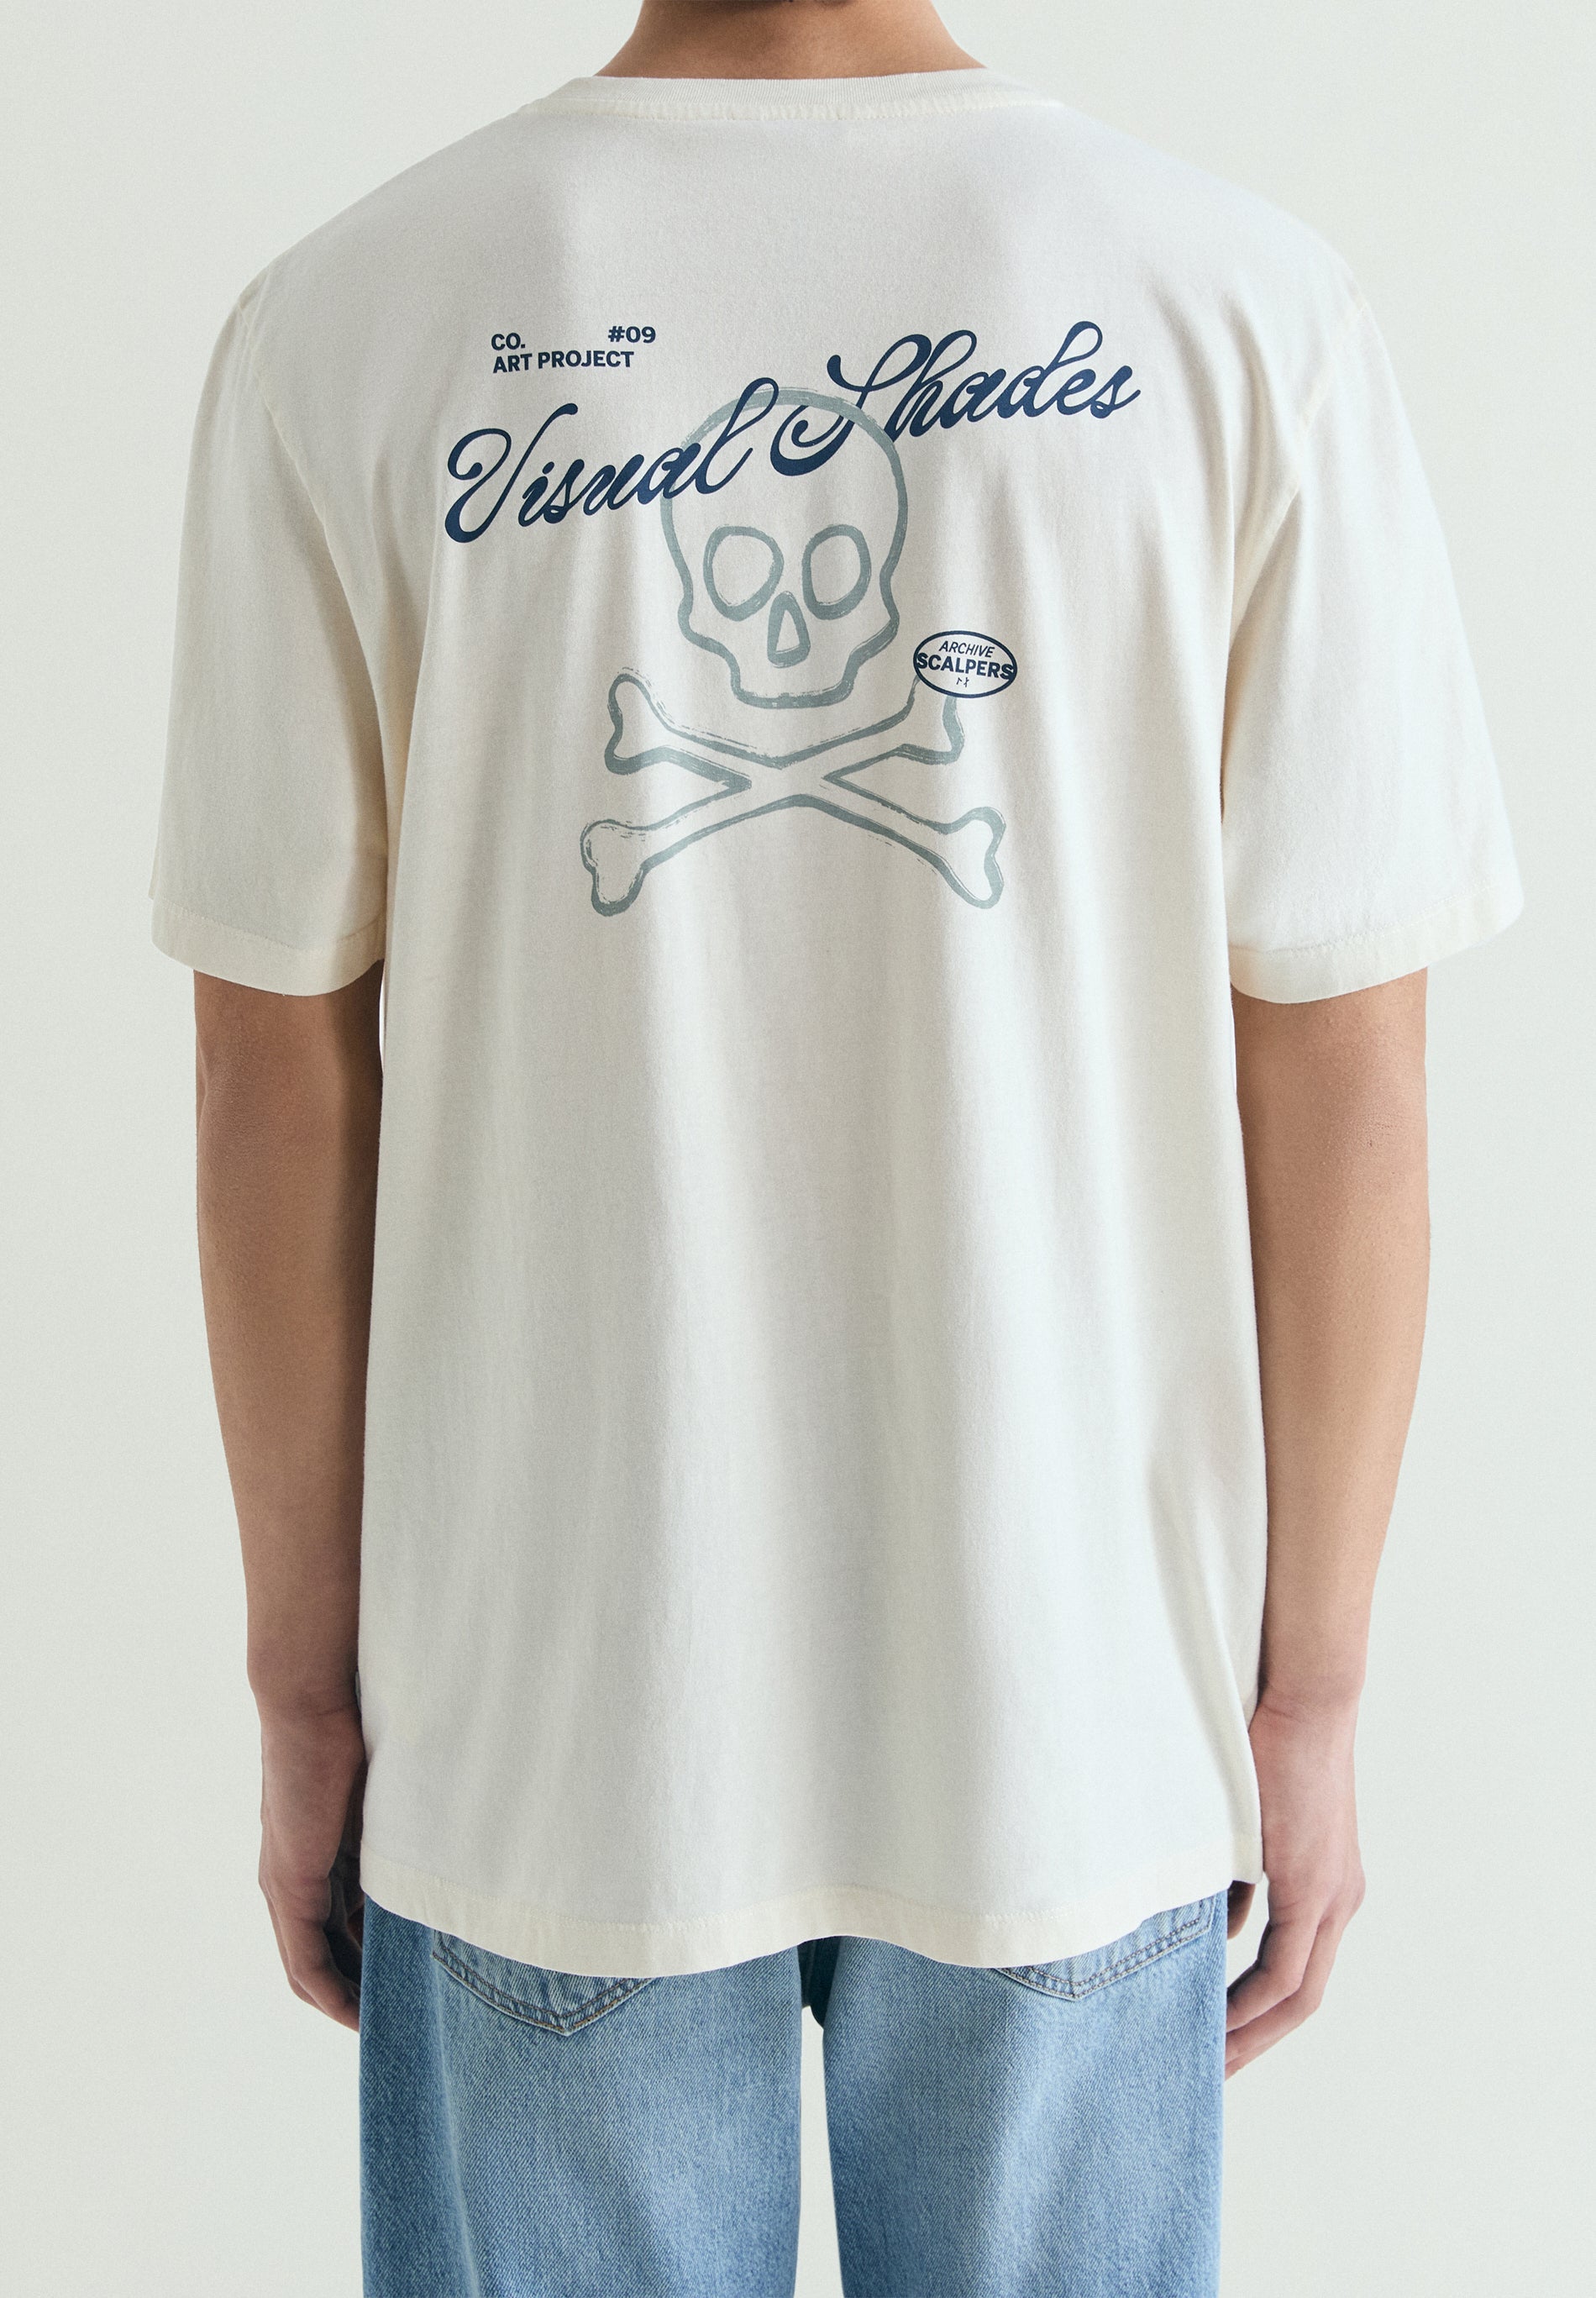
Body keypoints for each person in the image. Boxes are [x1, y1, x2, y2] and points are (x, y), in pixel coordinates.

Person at [151, 1, 1521, 2290]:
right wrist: (1309, 1688)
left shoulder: (352, 317)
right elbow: (1347, 1066)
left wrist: (310, 1688)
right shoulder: (1241, 310)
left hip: (547, 1718)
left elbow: (271, 1067)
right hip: (1071, 1713)